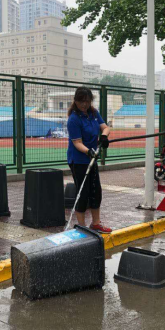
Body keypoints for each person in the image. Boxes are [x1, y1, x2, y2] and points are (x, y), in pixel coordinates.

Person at [67, 87, 112, 233]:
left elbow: (105, 127)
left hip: (92, 159)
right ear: (75, 101)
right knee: (83, 193)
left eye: (87, 101)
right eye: (81, 101)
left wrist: (104, 136)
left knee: (96, 190)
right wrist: (89, 151)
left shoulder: (93, 113)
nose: (84, 104)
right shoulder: (73, 119)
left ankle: (96, 223)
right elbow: (77, 143)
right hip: (78, 160)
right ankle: (82, 226)